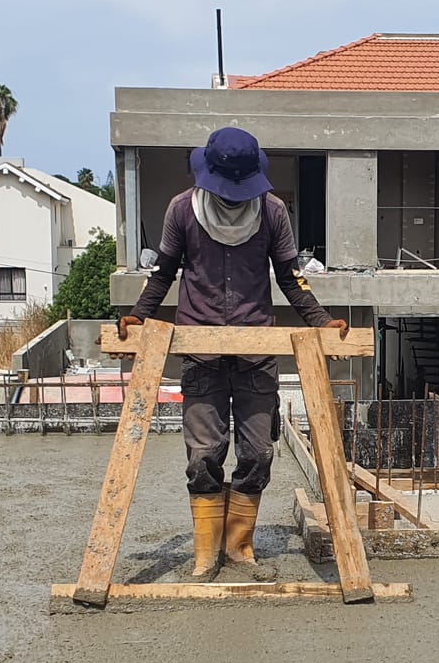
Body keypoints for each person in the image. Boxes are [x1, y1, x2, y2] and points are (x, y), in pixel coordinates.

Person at [120, 127, 348, 580]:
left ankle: (239, 546)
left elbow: (290, 277)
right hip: (200, 350)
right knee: (204, 454)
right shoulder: (182, 209)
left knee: (258, 451)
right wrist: (138, 315)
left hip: (255, 348)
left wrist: (322, 322)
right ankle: (207, 553)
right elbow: (163, 272)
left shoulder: (273, 212)